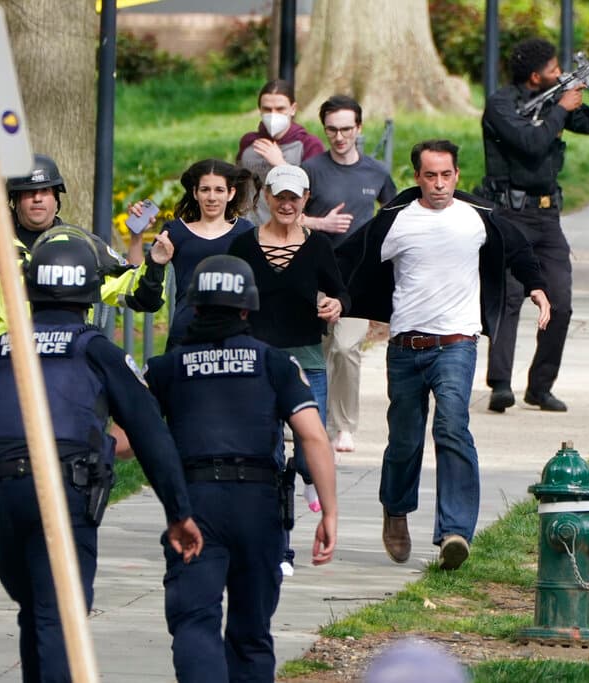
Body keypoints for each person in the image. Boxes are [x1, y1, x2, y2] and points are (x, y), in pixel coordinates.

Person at [0, 227, 202, 683]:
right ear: (92, 293)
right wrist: (179, 511)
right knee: (59, 615)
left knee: (37, 609)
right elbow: (149, 431)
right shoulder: (94, 350)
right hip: (62, 492)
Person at [337, 139, 550, 570]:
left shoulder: (478, 218)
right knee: (404, 440)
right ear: (417, 177)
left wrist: (537, 289)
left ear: (457, 175)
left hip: (457, 344)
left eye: (446, 175)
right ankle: (395, 512)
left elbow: (520, 248)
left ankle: (454, 532)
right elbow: (346, 260)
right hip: (405, 348)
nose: (439, 184)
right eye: (430, 176)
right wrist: (330, 298)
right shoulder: (395, 222)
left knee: (453, 427)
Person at [145, 254, 337, 682]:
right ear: (248, 308)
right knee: (251, 633)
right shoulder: (275, 364)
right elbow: (314, 437)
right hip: (259, 507)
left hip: (193, 506)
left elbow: (123, 441)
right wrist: (329, 511)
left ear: (193, 306)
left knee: (195, 624)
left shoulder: (166, 369)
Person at [478, 37, 589, 414]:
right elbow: (530, 142)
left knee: (560, 301)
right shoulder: (502, 104)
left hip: (546, 217)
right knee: (509, 299)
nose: (560, 74)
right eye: (554, 70)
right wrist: (560, 107)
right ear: (534, 76)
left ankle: (540, 387)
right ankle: (501, 385)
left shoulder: (555, 97)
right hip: (510, 215)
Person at [227, 164, 347, 574]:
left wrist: (336, 305)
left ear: (306, 199)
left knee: (311, 452)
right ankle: (278, 545)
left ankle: (306, 478)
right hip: (257, 362)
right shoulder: (243, 247)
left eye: (295, 197)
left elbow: (339, 290)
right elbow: (226, 297)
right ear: (266, 198)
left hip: (306, 360)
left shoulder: (318, 248)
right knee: (267, 457)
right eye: (280, 196)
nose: (287, 204)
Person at [0, 153, 173, 350]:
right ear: (14, 201)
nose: (38, 199)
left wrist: (155, 263)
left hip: (62, 358)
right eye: (29, 193)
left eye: (45, 191)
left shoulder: (82, 246)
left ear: (56, 198)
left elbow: (139, 294)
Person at [301, 94, 398, 455]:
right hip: (315, 274)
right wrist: (319, 222)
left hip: (357, 277)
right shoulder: (311, 170)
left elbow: (393, 216)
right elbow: (285, 217)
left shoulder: (375, 172)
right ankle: (313, 422)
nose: (339, 137)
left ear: (359, 128)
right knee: (318, 350)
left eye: (346, 129)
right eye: (332, 130)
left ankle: (344, 426)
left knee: (345, 348)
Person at [128, 158, 256, 350]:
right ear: (195, 193)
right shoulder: (175, 231)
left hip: (234, 335)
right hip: (185, 333)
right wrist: (136, 237)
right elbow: (138, 277)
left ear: (231, 193)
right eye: (205, 190)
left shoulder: (247, 232)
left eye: (219, 190)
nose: (211, 197)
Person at [236, 79, 324, 226]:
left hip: (291, 230)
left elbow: (316, 192)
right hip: (250, 228)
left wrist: (281, 164)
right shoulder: (248, 142)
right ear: (260, 110)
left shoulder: (309, 144)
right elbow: (237, 185)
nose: (273, 114)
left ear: (293, 109)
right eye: (267, 109)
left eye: (280, 109)